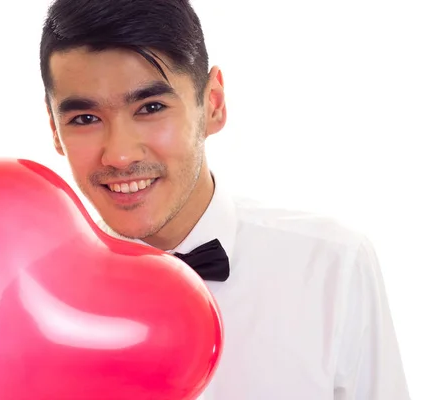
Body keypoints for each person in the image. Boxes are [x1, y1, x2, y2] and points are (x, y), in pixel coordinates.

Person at [38, 0, 411, 398]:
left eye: (151, 107)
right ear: (55, 129)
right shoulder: (39, 297)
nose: (120, 155)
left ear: (212, 103)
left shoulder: (331, 265)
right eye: (85, 119)